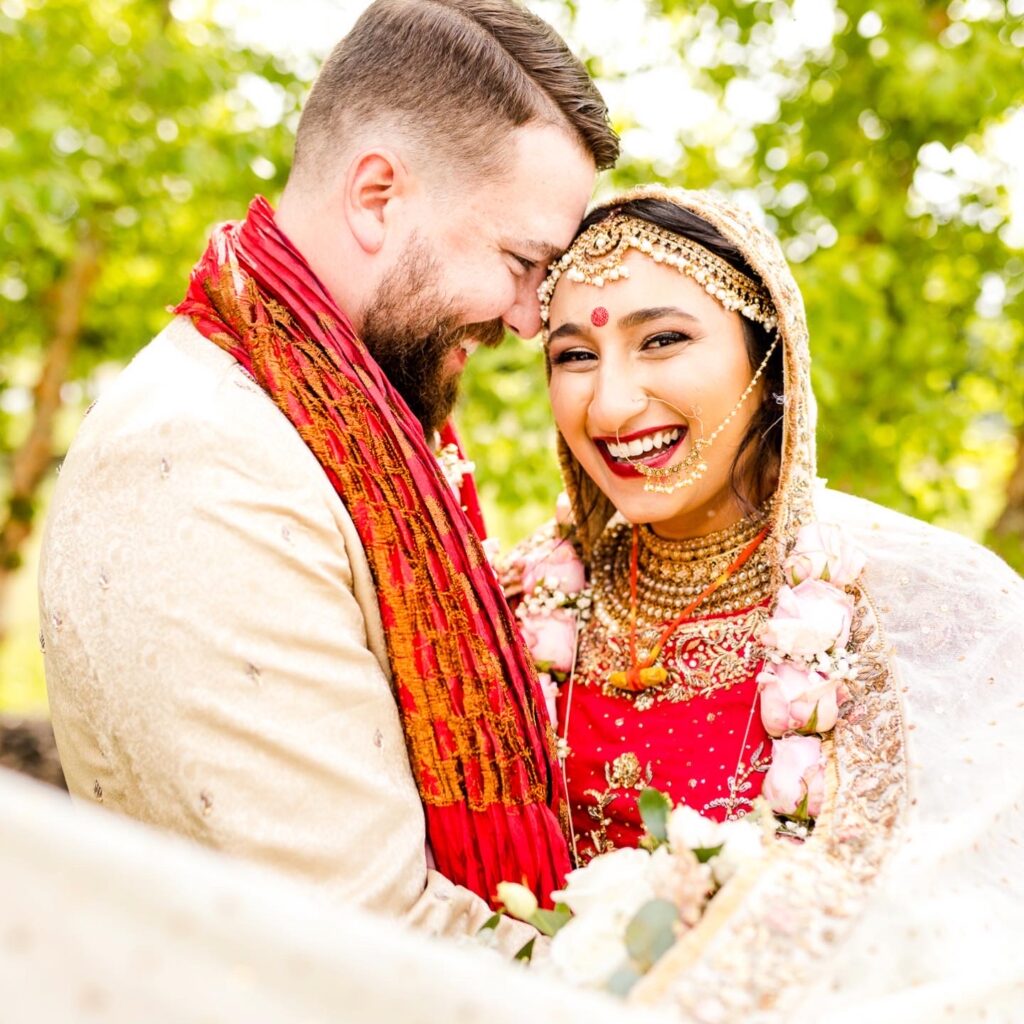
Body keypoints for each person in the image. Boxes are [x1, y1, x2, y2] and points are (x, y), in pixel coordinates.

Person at [38, 0, 618, 954]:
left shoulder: (334, 418)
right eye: (521, 262)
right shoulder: (203, 465)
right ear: (378, 195)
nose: (525, 320)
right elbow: (364, 945)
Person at [519, 184, 1024, 1018]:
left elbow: (976, 924)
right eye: (574, 356)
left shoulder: (930, 606)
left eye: (665, 340)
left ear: (769, 353)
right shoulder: (508, 604)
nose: (609, 404)